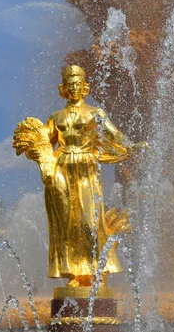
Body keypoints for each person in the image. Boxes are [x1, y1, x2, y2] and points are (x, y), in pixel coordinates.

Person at [14, 65, 147, 287]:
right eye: (70, 85)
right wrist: (33, 145)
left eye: (78, 84)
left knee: (89, 221)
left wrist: (132, 146)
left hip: (86, 167)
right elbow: (45, 143)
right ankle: (74, 273)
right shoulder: (56, 117)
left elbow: (114, 135)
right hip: (62, 167)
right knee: (67, 222)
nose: (74, 88)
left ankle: (97, 269)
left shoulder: (96, 114)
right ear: (63, 89)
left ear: (84, 88)